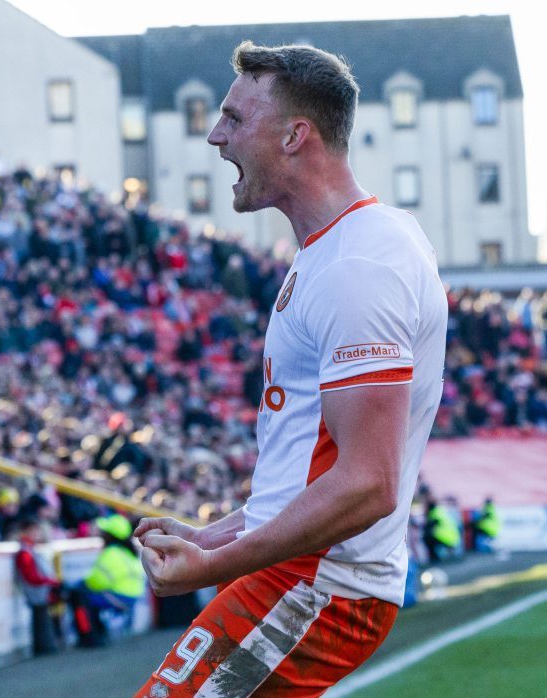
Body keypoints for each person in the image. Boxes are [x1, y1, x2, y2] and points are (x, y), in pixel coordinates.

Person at [134, 41, 448, 697]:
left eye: (234, 119)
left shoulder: (358, 263)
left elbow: (367, 483)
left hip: (319, 587)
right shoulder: (340, 251)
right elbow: (307, 473)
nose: (217, 137)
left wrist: (210, 568)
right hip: (306, 580)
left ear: (296, 134)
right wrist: (211, 540)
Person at [70, 514, 144, 648]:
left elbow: (95, 582)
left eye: (104, 532)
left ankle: (90, 637)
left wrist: (78, 584)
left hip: (120, 597)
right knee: (88, 596)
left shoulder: (111, 553)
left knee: (79, 595)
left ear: (110, 535)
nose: (101, 534)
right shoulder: (128, 552)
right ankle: (98, 634)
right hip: (131, 596)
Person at [13, 517, 61, 656]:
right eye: (34, 531)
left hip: (39, 589)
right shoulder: (25, 552)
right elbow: (30, 577)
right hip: (36, 591)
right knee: (41, 619)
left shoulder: (29, 549)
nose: (37, 534)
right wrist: (49, 582)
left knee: (42, 619)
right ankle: (44, 647)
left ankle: (45, 646)